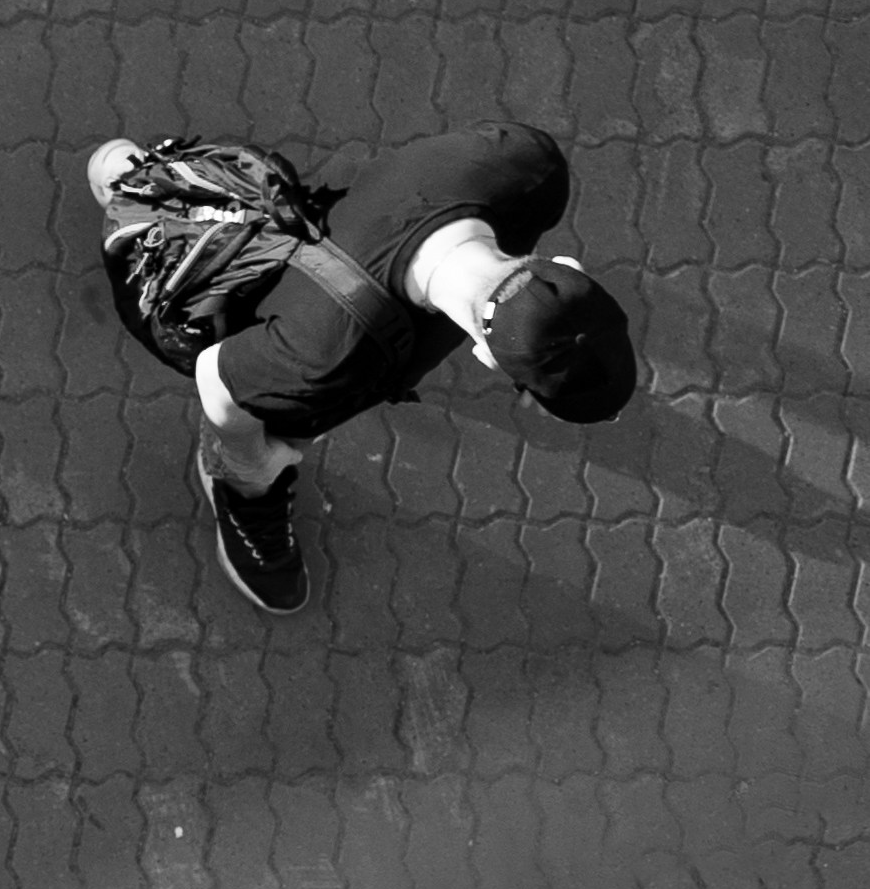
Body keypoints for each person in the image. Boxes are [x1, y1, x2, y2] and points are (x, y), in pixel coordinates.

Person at [86, 124, 644, 614]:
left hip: (312, 211)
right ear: (485, 356)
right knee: (286, 423)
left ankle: (128, 177)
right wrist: (249, 458)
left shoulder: (527, 167)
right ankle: (239, 490)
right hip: (272, 315)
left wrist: (539, 308)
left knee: (122, 169)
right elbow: (215, 380)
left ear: (563, 266)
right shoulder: (328, 358)